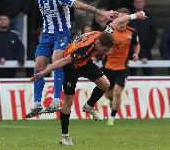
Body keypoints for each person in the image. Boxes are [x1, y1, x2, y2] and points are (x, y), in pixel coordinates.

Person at [0, 0, 117, 117]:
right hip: (47, 35)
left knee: (56, 59)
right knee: (39, 65)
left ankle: (56, 100)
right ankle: (36, 103)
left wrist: (102, 13)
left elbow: (80, 5)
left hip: (62, 34)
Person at [30, 11, 147, 146]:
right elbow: (62, 62)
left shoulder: (105, 35)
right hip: (71, 67)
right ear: (98, 44)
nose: (104, 53)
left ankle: (89, 106)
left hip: (85, 62)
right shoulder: (82, 50)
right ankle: (65, 136)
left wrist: (135, 16)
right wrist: (44, 72)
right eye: (104, 50)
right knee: (68, 103)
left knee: (105, 84)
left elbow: (115, 22)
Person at [102, 8, 140, 126]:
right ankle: (113, 101)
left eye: (125, 18)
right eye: (120, 18)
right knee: (108, 95)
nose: (122, 21)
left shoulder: (132, 32)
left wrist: (135, 54)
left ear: (128, 20)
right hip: (107, 67)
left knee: (117, 91)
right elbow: (100, 44)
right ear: (116, 19)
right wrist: (105, 51)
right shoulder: (109, 31)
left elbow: (137, 44)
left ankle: (112, 118)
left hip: (122, 68)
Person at [129, 0, 157, 76]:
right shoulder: (130, 17)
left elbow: (153, 35)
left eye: (140, 1)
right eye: (136, 1)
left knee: (148, 75)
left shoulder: (149, 17)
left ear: (144, 3)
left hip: (147, 51)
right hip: (131, 52)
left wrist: (144, 52)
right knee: (130, 75)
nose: (138, 3)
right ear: (133, 3)